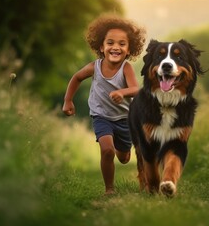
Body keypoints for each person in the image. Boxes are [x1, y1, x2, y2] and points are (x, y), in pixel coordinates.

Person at [62, 14, 146, 195]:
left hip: (124, 118)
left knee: (123, 158)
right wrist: (68, 100)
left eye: (122, 44)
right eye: (110, 43)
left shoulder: (126, 68)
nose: (116, 47)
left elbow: (136, 89)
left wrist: (121, 93)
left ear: (129, 49)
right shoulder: (95, 66)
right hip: (101, 115)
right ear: (101, 46)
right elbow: (76, 78)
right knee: (107, 151)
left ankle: (121, 148)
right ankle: (109, 189)